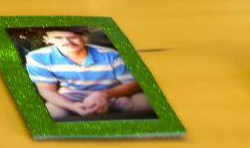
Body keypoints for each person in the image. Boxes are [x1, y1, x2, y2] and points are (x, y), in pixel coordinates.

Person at [23, 28, 154, 120]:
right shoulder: (38, 57)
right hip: (71, 97)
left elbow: (135, 84)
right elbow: (47, 91)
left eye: (72, 37)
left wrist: (104, 95)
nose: (67, 42)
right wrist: (73, 106)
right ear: (48, 39)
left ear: (84, 37)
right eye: (58, 37)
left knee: (145, 102)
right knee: (52, 112)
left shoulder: (110, 54)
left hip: (113, 94)